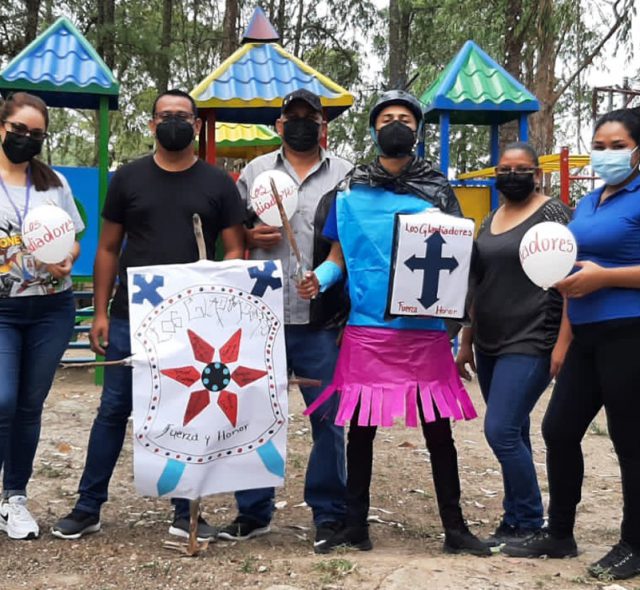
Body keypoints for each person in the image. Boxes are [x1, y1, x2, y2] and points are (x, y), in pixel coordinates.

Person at [298, 90, 489, 556]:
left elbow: (458, 255)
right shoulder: (350, 191)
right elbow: (338, 257)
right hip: (368, 328)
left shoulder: (437, 190)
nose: (396, 125)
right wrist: (319, 279)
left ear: (417, 130)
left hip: (424, 332)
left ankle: (455, 528)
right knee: (360, 432)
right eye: (387, 118)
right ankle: (355, 526)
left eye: (404, 118)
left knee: (438, 432)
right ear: (373, 129)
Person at [51, 89, 245, 540]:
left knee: (187, 410)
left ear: (196, 125)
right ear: (152, 123)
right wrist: (100, 311)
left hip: (195, 321)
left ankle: (184, 510)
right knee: (113, 408)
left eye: (182, 116)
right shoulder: (128, 178)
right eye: (165, 115)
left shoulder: (218, 183)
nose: (174, 122)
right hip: (130, 316)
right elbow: (107, 248)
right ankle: (88, 506)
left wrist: (221, 300)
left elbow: (235, 248)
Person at [502, 108, 640, 581]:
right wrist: (564, 340)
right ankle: (560, 534)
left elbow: (595, 274)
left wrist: (606, 278)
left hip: (630, 332)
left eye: (618, 146)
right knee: (558, 430)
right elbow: (570, 276)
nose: (606, 154)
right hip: (584, 335)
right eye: (599, 146)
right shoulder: (588, 202)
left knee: (630, 441)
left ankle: (634, 543)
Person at [217, 89, 351, 551]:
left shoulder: (346, 175)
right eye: (291, 117)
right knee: (254, 415)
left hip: (321, 321)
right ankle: (253, 511)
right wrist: (249, 234)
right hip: (261, 318)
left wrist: (330, 281)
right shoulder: (255, 172)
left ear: (323, 125)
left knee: (328, 419)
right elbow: (231, 231)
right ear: (278, 125)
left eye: (309, 117)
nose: (300, 124)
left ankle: (329, 514)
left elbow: (352, 241)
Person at [455, 143, 571, 545]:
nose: (512, 175)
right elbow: (477, 282)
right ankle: (515, 518)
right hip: (489, 339)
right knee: (515, 430)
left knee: (500, 429)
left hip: (533, 336)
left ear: (537, 174)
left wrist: (563, 343)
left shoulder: (553, 214)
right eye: (504, 169)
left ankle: (530, 520)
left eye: (521, 169)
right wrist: (466, 342)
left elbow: (569, 282)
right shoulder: (491, 218)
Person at [0, 92, 84, 539]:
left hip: (52, 308)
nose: (26, 139)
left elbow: (74, 239)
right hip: (3, 311)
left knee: (30, 405)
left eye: (36, 134)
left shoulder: (54, 184)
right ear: (2, 126)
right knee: (3, 399)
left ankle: (14, 497)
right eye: (19, 130)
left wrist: (66, 258)